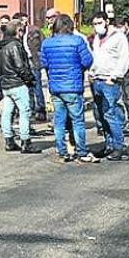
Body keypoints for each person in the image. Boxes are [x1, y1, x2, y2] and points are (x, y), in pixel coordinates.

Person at [40, 14, 99, 163]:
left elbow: (43, 63)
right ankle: (82, 151)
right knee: (77, 120)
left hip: (55, 87)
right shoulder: (77, 41)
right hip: (73, 86)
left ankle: (62, 151)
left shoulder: (47, 43)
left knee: (59, 120)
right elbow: (87, 60)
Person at [89, 11, 129, 160]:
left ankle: (120, 147)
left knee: (111, 114)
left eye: (99, 23)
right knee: (101, 116)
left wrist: (114, 77)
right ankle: (109, 145)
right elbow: (96, 57)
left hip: (109, 81)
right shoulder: (97, 38)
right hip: (97, 80)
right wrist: (91, 73)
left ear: (107, 21)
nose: (97, 26)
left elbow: (124, 59)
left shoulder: (119, 37)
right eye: (94, 24)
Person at [0, 19, 41, 153]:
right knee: (24, 111)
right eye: (22, 31)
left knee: (7, 112)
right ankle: (26, 141)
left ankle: (9, 140)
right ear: (18, 31)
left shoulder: (2, 46)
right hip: (17, 84)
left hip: (6, 84)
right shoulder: (15, 46)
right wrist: (30, 79)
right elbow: (20, 66)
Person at [14, 12, 47, 122]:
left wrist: (41, 57)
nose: (25, 22)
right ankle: (30, 109)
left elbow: (44, 43)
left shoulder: (34, 30)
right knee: (27, 88)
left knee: (37, 86)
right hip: (22, 63)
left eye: (25, 20)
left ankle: (41, 110)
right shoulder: (15, 33)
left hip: (34, 61)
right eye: (22, 21)